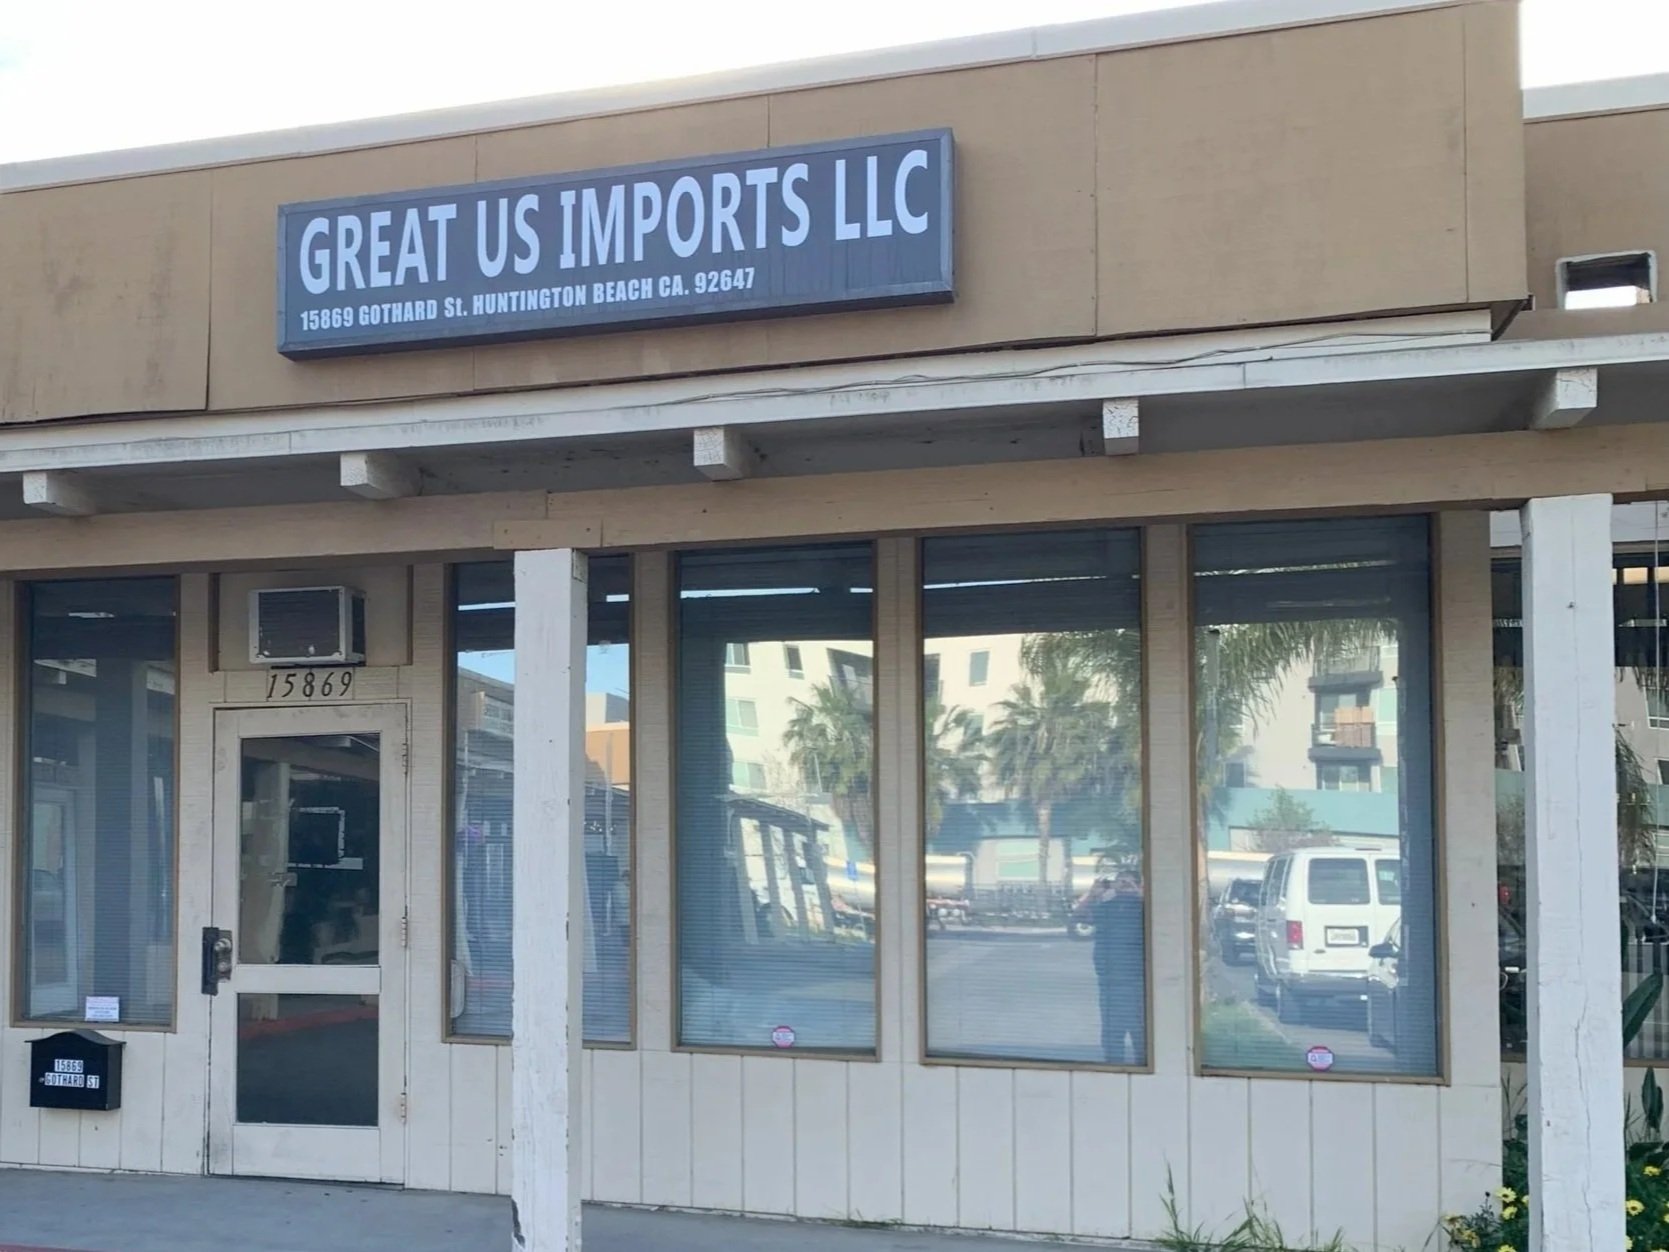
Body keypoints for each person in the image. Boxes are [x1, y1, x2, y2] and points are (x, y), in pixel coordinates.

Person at [1087, 870, 1146, 1065]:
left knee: (1141, 1034)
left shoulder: (1143, 906)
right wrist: (1093, 894)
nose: (1124, 886)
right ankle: (1113, 1069)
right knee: (1112, 1034)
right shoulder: (1107, 907)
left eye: (1129, 882)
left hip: (1138, 982)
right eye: (1120, 882)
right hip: (1110, 982)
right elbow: (1078, 921)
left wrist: (1140, 894)